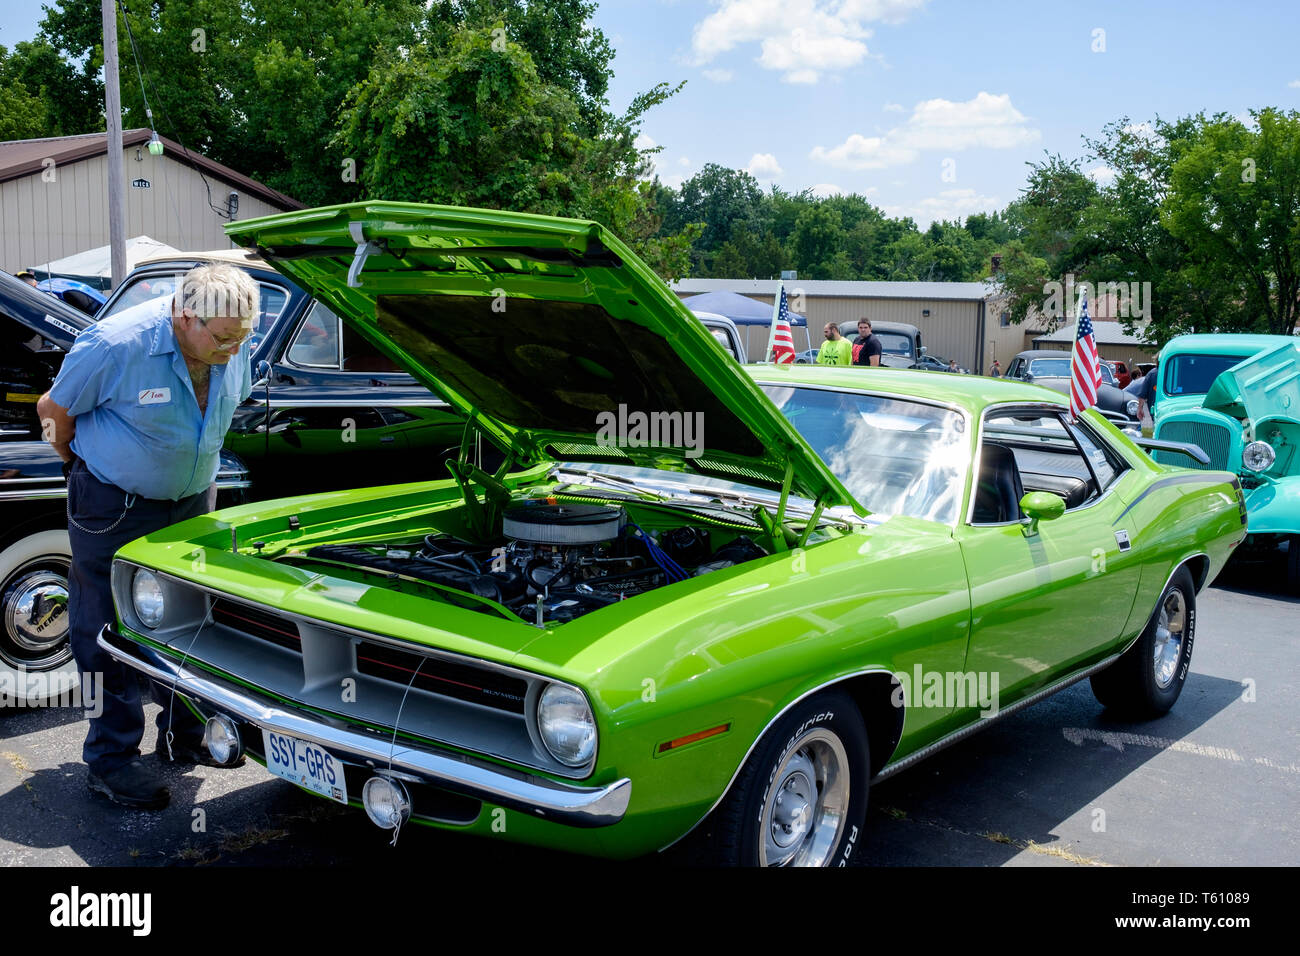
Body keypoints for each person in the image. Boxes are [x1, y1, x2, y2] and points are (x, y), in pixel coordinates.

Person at [36, 263, 257, 810]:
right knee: (101, 631)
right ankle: (110, 761)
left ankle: (187, 736)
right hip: (113, 504)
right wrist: (78, 470)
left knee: (192, 622)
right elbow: (52, 411)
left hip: (192, 503)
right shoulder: (115, 344)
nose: (233, 348)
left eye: (243, 336)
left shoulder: (231, 337)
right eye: (223, 337)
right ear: (184, 316)